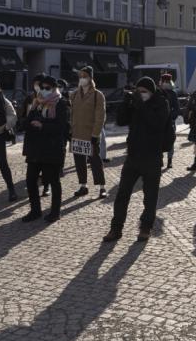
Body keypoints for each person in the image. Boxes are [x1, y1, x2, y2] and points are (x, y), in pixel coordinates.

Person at [104, 77, 170, 242]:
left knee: (150, 197)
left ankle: (145, 227)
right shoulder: (135, 103)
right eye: (138, 91)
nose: (140, 94)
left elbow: (157, 124)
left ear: (151, 92)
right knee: (122, 195)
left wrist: (141, 106)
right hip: (133, 157)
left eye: (144, 91)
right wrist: (126, 104)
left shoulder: (161, 103)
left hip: (152, 157)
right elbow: (121, 121)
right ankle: (116, 228)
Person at [21, 76, 69, 223]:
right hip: (35, 149)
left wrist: (42, 125)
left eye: (47, 88)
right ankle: (35, 210)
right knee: (30, 180)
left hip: (52, 149)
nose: (44, 91)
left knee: (53, 181)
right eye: (42, 88)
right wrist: (31, 117)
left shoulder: (61, 103)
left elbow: (62, 127)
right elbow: (25, 123)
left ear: (55, 88)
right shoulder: (37, 103)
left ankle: (55, 212)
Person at [70, 66, 107, 199]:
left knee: (95, 161)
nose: (82, 79)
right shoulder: (74, 94)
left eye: (84, 76)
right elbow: (71, 114)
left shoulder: (98, 95)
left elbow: (100, 116)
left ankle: (102, 187)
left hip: (90, 134)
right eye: (80, 76)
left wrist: (95, 134)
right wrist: (70, 130)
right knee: (79, 162)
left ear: (90, 78)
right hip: (77, 133)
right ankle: (83, 186)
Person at [159, 74, 180, 169]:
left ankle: (170, 160)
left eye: (167, 82)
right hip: (159, 121)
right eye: (164, 81)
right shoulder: (158, 92)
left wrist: (171, 117)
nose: (166, 83)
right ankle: (160, 159)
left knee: (170, 140)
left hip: (170, 121)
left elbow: (176, 108)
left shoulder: (173, 93)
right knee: (159, 141)